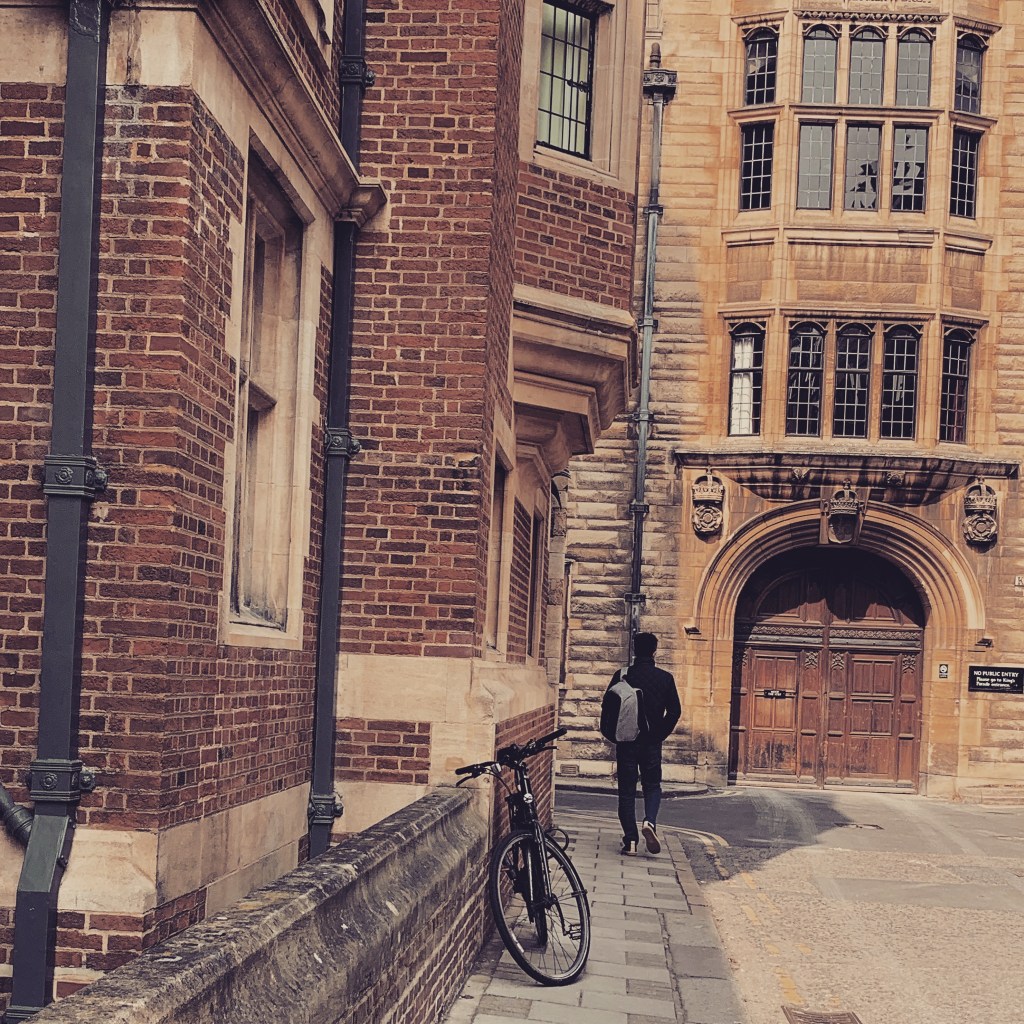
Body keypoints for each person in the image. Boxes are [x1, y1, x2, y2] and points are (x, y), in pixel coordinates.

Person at [599, 632, 681, 856]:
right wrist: (659, 734)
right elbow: (675, 711)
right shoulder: (665, 678)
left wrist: (613, 735)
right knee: (652, 786)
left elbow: (607, 708)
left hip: (626, 743)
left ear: (635, 650)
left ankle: (631, 841)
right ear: (655, 651)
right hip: (651, 744)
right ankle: (649, 822)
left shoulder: (622, 675)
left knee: (626, 792)